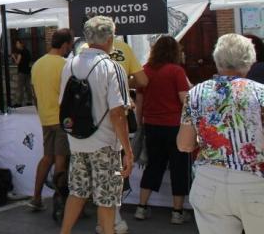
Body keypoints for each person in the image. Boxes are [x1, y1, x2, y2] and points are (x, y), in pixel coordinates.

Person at [178, 33, 264, 233]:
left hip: (209, 183)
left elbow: (184, 144)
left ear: (217, 59)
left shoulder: (196, 93)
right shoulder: (260, 93)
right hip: (255, 182)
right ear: (250, 60)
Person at [59, 16, 132, 234]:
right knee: (106, 198)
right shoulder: (112, 68)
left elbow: (62, 103)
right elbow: (118, 113)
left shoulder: (69, 64)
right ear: (110, 38)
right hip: (105, 143)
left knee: (77, 191)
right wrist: (128, 150)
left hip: (77, 139)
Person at [133, 35, 191, 224]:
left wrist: (140, 123)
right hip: (174, 126)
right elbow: (185, 99)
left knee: (153, 166)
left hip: (151, 125)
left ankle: (141, 207)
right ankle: (177, 212)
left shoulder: (145, 71)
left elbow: (139, 101)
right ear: (174, 52)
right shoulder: (176, 71)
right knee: (179, 167)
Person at [28, 28, 73, 211]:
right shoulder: (65, 64)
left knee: (47, 157)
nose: (70, 48)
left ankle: (36, 197)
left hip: (46, 118)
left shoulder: (37, 64)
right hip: (62, 119)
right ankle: (60, 201)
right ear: (64, 45)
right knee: (61, 159)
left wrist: (42, 112)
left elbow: (34, 95)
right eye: (69, 45)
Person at [12, 40, 33, 106]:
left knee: (20, 87)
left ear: (21, 44)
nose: (16, 45)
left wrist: (13, 57)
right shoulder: (27, 51)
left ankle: (19, 102)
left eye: (17, 43)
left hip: (22, 72)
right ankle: (29, 101)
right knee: (28, 87)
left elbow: (17, 62)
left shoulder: (21, 52)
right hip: (27, 71)